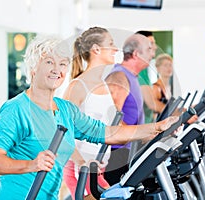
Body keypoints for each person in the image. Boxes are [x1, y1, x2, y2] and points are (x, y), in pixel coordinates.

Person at [0, 35, 178, 200]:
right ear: (33, 68)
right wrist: (32, 164)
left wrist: (158, 127)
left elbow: (108, 133)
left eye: (62, 64)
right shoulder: (16, 109)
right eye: (49, 62)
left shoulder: (65, 110)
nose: (56, 69)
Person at [62, 27, 124, 199]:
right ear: (96, 49)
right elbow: (61, 131)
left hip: (99, 168)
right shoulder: (78, 86)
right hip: (80, 170)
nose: (115, 49)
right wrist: (81, 163)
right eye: (110, 44)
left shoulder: (102, 84)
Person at [104, 33, 156, 185]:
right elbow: (112, 122)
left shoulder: (132, 77)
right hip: (116, 155)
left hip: (128, 151)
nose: (152, 54)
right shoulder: (119, 77)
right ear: (136, 54)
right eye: (149, 49)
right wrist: (144, 134)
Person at [136, 30, 166, 123]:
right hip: (139, 132)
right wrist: (178, 113)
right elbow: (151, 104)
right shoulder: (139, 70)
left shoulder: (145, 70)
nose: (155, 47)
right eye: (151, 43)